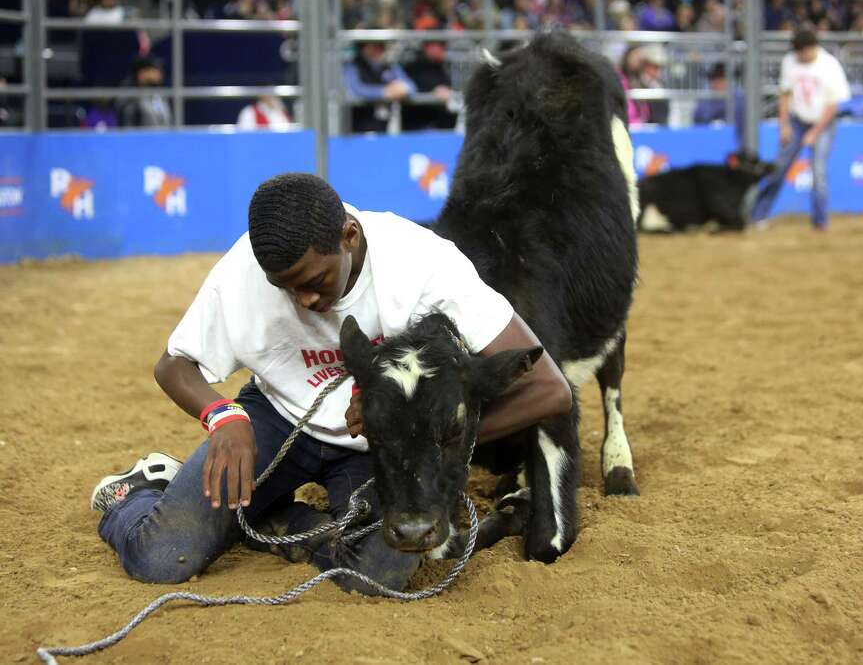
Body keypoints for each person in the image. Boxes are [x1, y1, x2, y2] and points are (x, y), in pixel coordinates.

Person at [90, 173, 572, 591]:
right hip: (277, 420)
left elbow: (550, 389)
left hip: (380, 446)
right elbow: (172, 365)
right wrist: (223, 416)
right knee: (160, 558)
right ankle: (134, 492)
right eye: (286, 287)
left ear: (350, 235)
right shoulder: (243, 272)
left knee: (378, 576)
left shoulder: (424, 263)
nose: (302, 298)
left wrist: (421, 441)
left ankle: (281, 517)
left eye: (315, 279)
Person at [749, 28, 851, 231]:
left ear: (811, 48)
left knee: (819, 172)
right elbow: (785, 95)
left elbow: (833, 106)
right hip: (796, 121)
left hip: (822, 123)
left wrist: (814, 132)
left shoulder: (829, 65)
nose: (799, 57)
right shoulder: (790, 61)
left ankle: (820, 222)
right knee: (777, 168)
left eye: (801, 52)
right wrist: (784, 125)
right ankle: (757, 215)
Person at [343, 40, 417, 133]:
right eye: (375, 45)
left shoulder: (389, 65)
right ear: (364, 47)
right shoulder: (352, 66)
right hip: (357, 126)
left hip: (383, 125)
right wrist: (383, 92)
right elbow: (356, 90)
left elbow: (411, 87)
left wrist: (403, 89)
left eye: (381, 45)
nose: (379, 49)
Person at [117, 57, 172, 128]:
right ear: (142, 73)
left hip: (165, 138)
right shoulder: (129, 97)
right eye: (155, 70)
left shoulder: (160, 95)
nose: (159, 73)